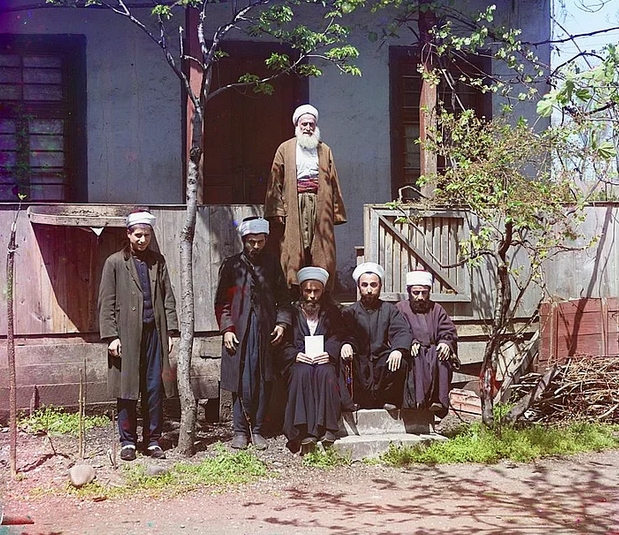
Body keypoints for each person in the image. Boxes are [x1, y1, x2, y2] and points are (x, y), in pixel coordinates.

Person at [98, 210, 178, 461]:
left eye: (146, 235)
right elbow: (106, 302)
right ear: (129, 235)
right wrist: (111, 336)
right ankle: (127, 442)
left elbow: (168, 298)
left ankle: (153, 440)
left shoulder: (158, 261)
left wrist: (171, 331)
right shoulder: (114, 263)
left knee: (154, 388)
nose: (143, 240)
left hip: (155, 334)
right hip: (126, 337)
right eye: (138, 235)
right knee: (127, 388)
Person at [214, 217, 292, 450]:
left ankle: (257, 430)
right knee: (239, 380)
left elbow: (284, 299)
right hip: (239, 334)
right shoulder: (231, 266)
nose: (256, 246)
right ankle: (240, 431)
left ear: (266, 239)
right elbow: (221, 303)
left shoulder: (272, 264)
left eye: (260, 241)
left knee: (264, 379)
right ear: (243, 241)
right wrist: (227, 329)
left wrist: (282, 324)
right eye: (251, 242)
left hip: (265, 333)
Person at [264, 104, 347, 293]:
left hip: (320, 204)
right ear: (297, 125)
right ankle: (292, 292)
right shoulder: (285, 149)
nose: (308, 128)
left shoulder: (324, 150)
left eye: (311, 124)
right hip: (294, 204)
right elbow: (275, 180)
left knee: (322, 250)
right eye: (304, 124)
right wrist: (277, 209)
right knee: (292, 248)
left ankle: (322, 293)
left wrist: (335, 211)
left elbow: (333, 180)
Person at [280, 266, 345, 453]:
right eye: (308, 291)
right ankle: (302, 432)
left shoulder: (332, 312)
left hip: (323, 359)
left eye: (316, 291)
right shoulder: (291, 313)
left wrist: (329, 353)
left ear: (322, 291)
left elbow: (339, 336)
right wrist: (295, 355)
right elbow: (283, 343)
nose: (312, 296)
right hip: (300, 360)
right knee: (302, 373)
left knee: (327, 373)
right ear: (301, 291)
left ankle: (327, 429)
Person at [340, 262, 413, 411]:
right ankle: (352, 402)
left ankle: (388, 400)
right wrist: (346, 344)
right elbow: (344, 333)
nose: (369, 290)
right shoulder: (349, 312)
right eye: (364, 285)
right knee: (344, 362)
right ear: (359, 287)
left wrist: (398, 350)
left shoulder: (390, 310)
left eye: (373, 285)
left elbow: (402, 331)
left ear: (380, 286)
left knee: (401, 362)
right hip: (358, 359)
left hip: (381, 359)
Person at [396, 270, 459, 418]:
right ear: (409, 292)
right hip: (411, 352)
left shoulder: (437, 309)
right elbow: (396, 330)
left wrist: (445, 343)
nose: (420, 297)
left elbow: (448, 331)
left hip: (433, 352)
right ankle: (415, 403)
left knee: (442, 356)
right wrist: (409, 342)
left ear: (429, 292)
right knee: (414, 357)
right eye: (416, 292)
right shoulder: (400, 308)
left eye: (424, 293)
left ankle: (438, 401)